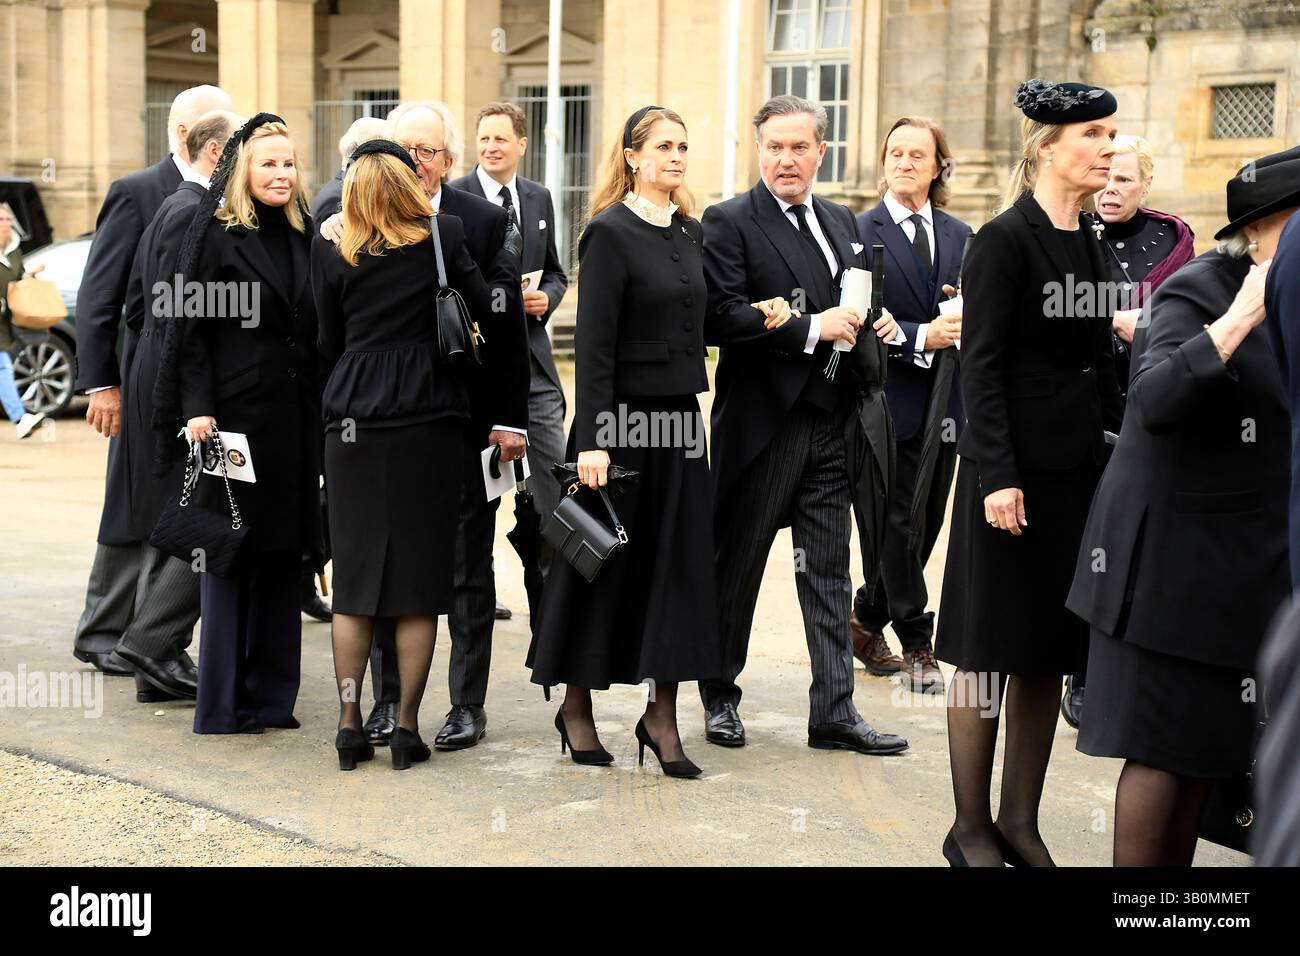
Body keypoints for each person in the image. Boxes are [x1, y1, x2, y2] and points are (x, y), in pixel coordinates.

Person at [1067, 147, 1296, 867]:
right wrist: (1239, 320)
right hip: (1165, 570)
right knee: (1162, 753)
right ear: (1262, 228)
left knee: (1206, 755)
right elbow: (1155, 399)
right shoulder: (1201, 288)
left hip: (1240, 571)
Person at [935, 80, 1123, 867]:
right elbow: (980, 368)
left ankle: (1020, 823)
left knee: (1046, 652)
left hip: (1073, 476)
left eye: (1111, 134)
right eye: (1093, 135)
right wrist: (997, 478)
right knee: (986, 654)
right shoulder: (1003, 239)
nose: (1108, 148)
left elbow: (1097, 363)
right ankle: (969, 829)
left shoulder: (1091, 241)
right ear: (1048, 148)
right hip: (1007, 478)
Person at [698, 94, 908, 757]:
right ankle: (719, 697)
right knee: (738, 568)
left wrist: (872, 320)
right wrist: (811, 327)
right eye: (774, 147)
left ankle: (834, 712)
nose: (785, 160)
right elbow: (720, 316)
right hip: (765, 427)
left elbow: (853, 294)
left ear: (822, 151)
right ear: (759, 151)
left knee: (829, 572)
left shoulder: (841, 219)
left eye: (798, 147)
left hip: (833, 422)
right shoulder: (729, 221)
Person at [320, 101, 529, 749]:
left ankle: (455, 707)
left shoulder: (475, 221)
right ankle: (396, 713)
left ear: (447, 159)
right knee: (413, 582)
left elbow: (505, 332)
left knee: (434, 572)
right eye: (407, 149)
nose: (417, 160)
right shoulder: (369, 230)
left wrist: (509, 419)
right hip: (427, 416)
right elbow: (489, 312)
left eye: (428, 150)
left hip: (422, 421)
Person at [527, 105, 721, 778]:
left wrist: (773, 316)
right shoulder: (608, 232)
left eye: (683, 146)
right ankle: (575, 707)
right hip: (619, 429)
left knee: (678, 569)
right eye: (663, 146)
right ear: (633, 157)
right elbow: (594, 343)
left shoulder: (691, 232)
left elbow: (706, 317)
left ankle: (661, 716)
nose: (676, 156)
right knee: (598, 564)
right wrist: (595, 439)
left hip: (680, 426)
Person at [153, 114, 323, 734]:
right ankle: (224, 705)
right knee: (229, 556)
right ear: (242, 170)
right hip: (233, 420)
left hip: (295, 422)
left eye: (288, 163)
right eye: (267, 163)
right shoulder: (217, 234)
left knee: (282, 557)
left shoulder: (307, 234)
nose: (281, 174)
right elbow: (189, 332)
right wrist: (197, 408)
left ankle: (272, 700)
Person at [70, 83, 233, 689]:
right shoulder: (138, 191)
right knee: (132, 502)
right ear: (187, 133)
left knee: (167, 502)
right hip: (144, 375)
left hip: (187, 377)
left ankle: (145, 636)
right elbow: (100, 293)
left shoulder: (224, 194)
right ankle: (103, 635)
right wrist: (100, 384)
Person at [1060, 133, 1196, 728]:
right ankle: (1080, 671)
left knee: (1133, 550)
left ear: (1146, 185)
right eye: (1106, 178)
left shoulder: (1175, 242)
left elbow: (1192, 322)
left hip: (1147, 410)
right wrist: (1108, 320)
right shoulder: (1071, 232)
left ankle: (1126, 673)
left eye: (1124, 180)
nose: (1110, 190)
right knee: (1083, 547)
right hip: (1083, 406)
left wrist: (1149, 329)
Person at [111, 109, 242, 704]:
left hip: (162, 377)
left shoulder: (181, 205)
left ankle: (156, 660)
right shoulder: (191, 209)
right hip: (174, 388)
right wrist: (194, 403)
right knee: (192, 515)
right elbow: (176, 315)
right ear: (217, 154)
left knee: (180, 513)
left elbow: (145, 307)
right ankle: (151, 645)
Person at [850, 117, 973, 695]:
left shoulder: (961, 234)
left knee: (927, 522)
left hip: (947, 404)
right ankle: (919, 643)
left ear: (937, 166)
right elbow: (858, 317)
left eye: (916, 154)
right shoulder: (857, 231)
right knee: (897, 522)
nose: (904, 162)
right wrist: (922, 335)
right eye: (895, 152)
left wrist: (964, 311)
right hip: (884, 402)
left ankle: (863, 619)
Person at [450, 101, 569, 598]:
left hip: (534, 363)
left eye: (501, 138)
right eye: (484, 138)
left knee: (555, 486)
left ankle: (553, 601)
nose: (491, 147)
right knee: (479, 502)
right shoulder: (453, 196)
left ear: (522, 144)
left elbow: (557, 271)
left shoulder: (539, 198)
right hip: (476, 367)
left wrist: (548, 299)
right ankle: (479, 594)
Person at [0, 202, 48, 439]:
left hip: (4, 323)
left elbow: (16, 281)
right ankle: (20, 418)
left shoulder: (13, 252)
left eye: (8, 219)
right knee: (2, 367)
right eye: (1, 220)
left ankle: (20, 417)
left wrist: (29, 276)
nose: (6, 224)